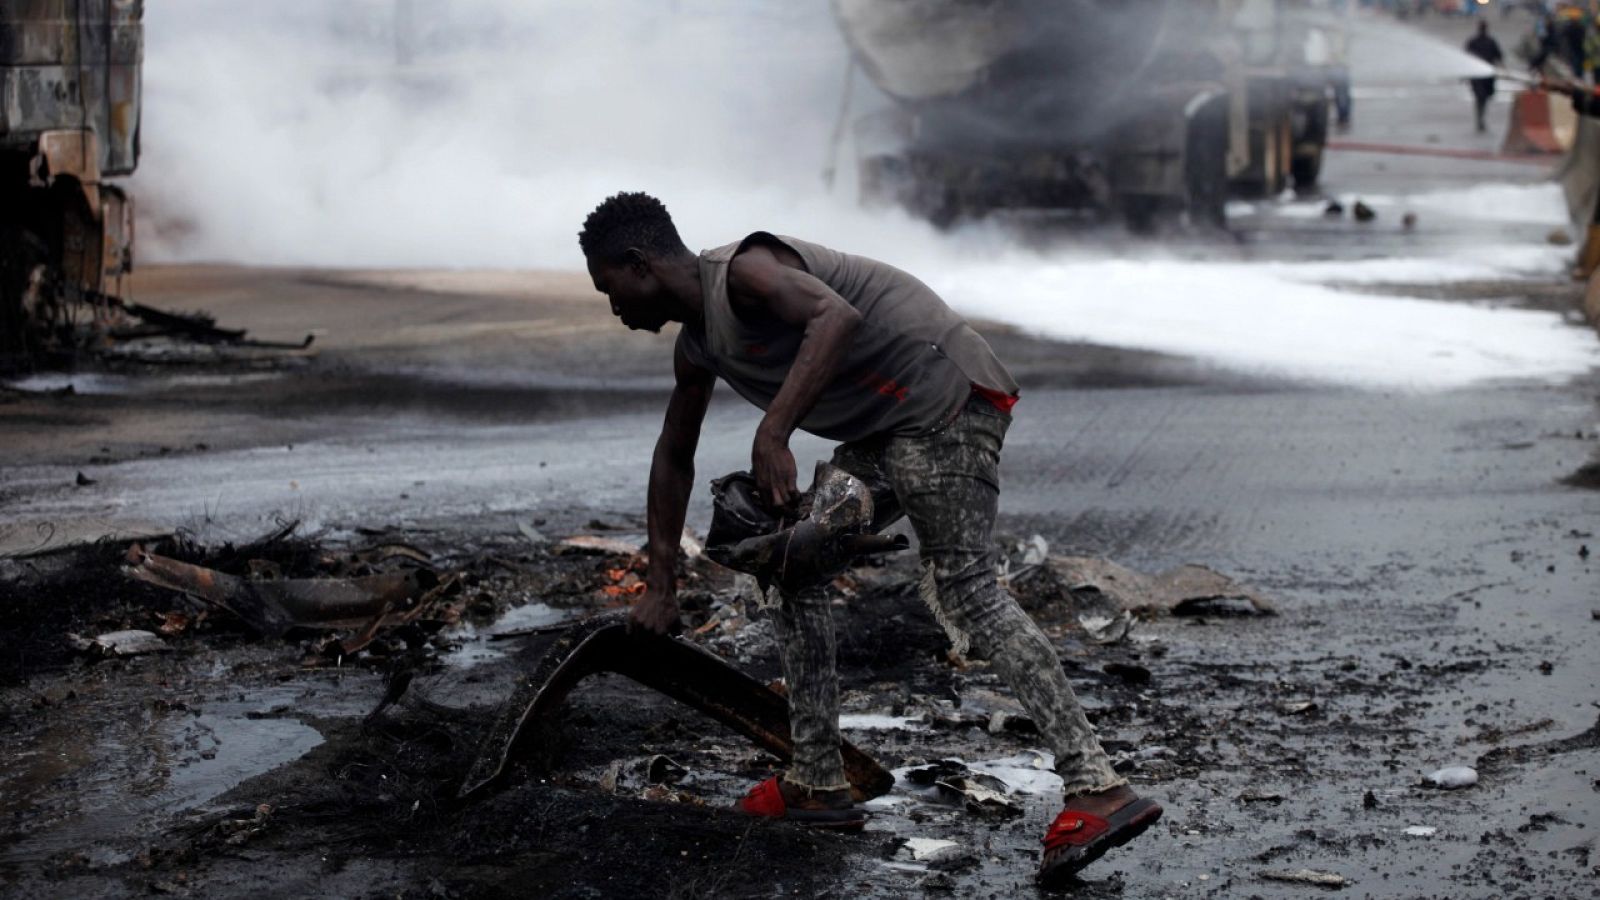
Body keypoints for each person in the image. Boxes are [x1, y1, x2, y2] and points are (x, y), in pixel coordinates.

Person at [578, 192, 1162, 885]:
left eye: (608, 288)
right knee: (792, 556)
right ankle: (819, 780)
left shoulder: (746, 270)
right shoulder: (699, 345)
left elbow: (836, 315)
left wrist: (774, 431)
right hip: (890, 431)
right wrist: (662, 583)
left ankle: (1099, 785)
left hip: (948, 400)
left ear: (639, 264)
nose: (614, 310)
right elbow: (673, 455)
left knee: (964, 588)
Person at [1466, 20, 1505, 132]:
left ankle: (1480, 119)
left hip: (1481, 76)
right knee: (1481, 98)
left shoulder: (1474, 42)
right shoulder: (1490, 41)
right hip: (1483, 76)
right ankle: (1480, 119)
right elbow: (1499, 56)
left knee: (1482, 98)